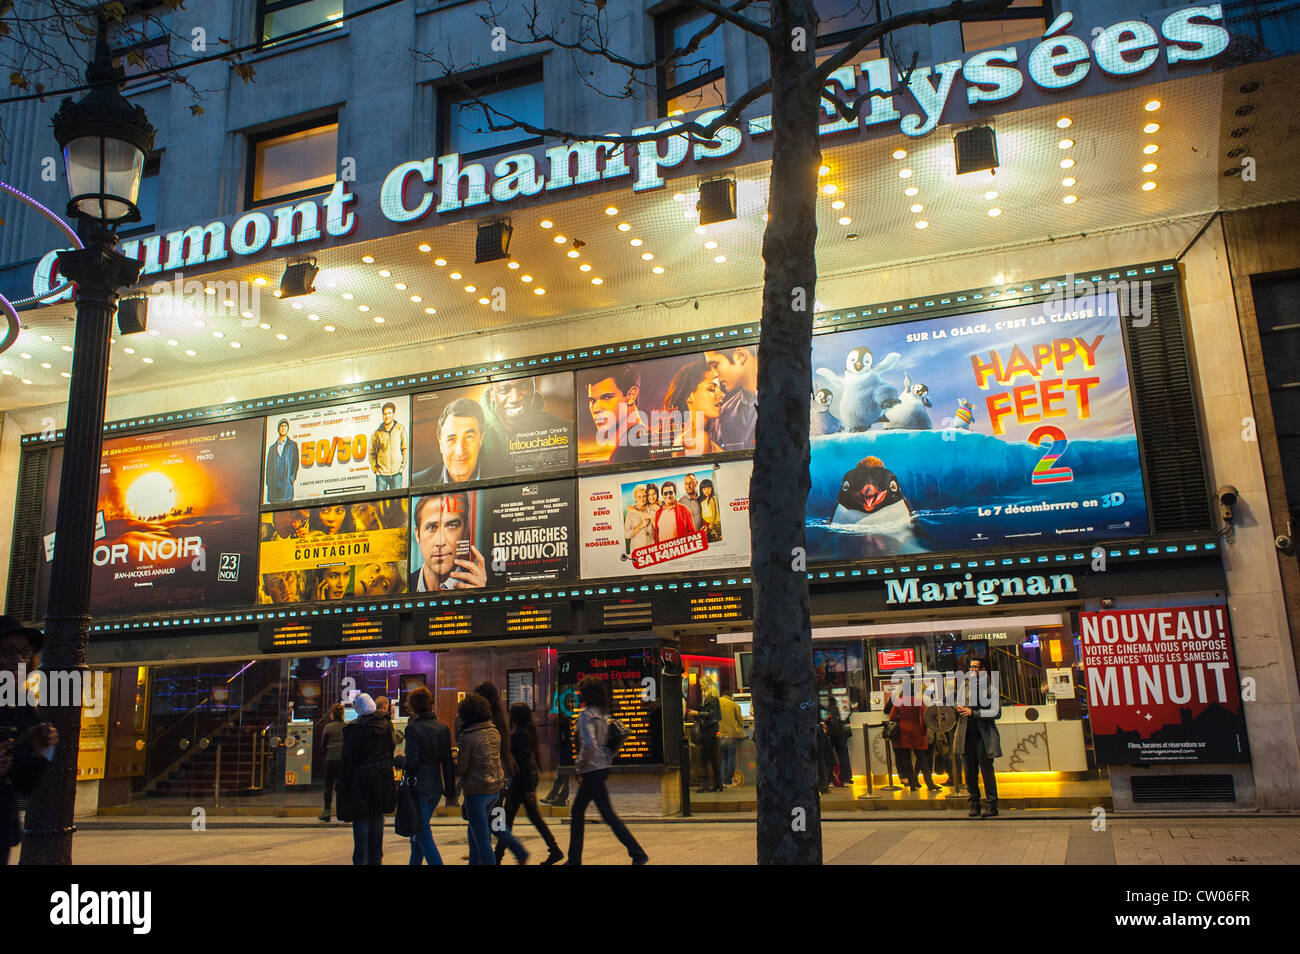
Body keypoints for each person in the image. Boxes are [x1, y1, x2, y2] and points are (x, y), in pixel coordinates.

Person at [566, 676, 647, 865]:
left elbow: (588, 745)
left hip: (591, 770)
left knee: (606, 815)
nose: (577, 694)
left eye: (579, 691)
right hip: (602, 767)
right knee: (580, 812)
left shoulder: (586, 715)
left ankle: (637, 853)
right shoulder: (602, 713)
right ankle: (573, 859)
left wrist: (578, 766)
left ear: (586, 694)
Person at [0, 617, 56, 866]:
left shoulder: (20, 705)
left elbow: (23, 784)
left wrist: (39, 752)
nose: (18, 661)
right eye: (8, 652)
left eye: (24, 653)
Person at [456, 692, 526, 864]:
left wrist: (454, 759)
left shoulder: (467, 737)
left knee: (482, 838)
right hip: (495, 790)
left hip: (476, 791)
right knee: (477, 834)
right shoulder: (494, 731)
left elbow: (462, 768)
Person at [494, 703, 563, 865]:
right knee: (528, 818)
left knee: (507, 820)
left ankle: (498, 856)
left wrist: (528, 790)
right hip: (524, 781)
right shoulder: (528, 733)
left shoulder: (519, 735)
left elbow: (523, 763)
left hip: (519, 783)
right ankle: (554, 849)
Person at [396, 686, 456, 865]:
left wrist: (398, 761)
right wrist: (450, 792)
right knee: (417, 836)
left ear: (413, 707)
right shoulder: (443, 729)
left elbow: (412, 764)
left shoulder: (413, 729)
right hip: (435, 789)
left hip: (419, 789)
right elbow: (447, 763)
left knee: (422, 835)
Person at [337, 692, 396, 865]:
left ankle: (360, 859)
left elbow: (347, 760)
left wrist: (342, 784)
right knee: (377, 817)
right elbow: (390, 750)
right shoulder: (386, 726)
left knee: (361, 819)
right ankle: (375, 859)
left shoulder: (354, 729)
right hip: (380, 780)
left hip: (360, 781)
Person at [474, 681, 529, 863]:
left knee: (489, 823)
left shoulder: (487, 722)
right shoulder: (500, 718)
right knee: (494, 821)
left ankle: (516, 851)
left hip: (491, 778)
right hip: (501, 777)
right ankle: (515, 851)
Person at [409, 493, 487, 591]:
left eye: (452, 526)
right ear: (417, 534)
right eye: (432, 527)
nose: (441, 542)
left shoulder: (481, 585)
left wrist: (483, 598)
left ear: (466, 529)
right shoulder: (403, 586)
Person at [957, 657, 1002, 818]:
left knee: (986, 771)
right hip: (966, 735)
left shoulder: (991, 688)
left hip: (983, 736)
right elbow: (960, 704)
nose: (971, 670)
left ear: (983, 670)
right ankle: (974, 804)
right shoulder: (965, 686)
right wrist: (959, 708)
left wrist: (973, 713)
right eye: (970, 667)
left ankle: (991, 805)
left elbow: (997, 712)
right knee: (969, 772)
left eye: (975, 667)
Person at [583, 365, 651, 464]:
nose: (596, 409)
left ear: (631, 396)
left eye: (607, 398)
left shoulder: (627, 452)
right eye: (592, 401)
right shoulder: (632, 445)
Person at [662, 359, 724, 456]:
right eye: (711, 389)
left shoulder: (690, 436)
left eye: (720, 388)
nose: (721, 394)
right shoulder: (698, 437)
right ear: (690, 396)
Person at [704, 347, 758, 450]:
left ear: (740, 356)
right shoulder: (725, 412)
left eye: (715, 365)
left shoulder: (786, 400)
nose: (714, 375)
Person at [886, 687, 938, 792]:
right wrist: (923, 732)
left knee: (906, 759)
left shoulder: (898, 701)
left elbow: (892, 717)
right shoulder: (918, 701)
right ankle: (930, 783)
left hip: (902, 732)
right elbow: (923, 718)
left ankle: (912, 785)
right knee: (922, 759)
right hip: (916, 731)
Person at [485, 377, 568, 440]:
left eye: (524, 387)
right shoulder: (477, 430)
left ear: (534, 388)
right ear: (492, 393)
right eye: (504, 390)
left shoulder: (565, 430)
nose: (515, 398)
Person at [437, 397, 490, 483]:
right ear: (440, 444)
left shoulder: (503, 476)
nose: (460, 451)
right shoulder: (417, 482)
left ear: (481, 439)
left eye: (469, 437)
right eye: (451, 439)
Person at [369, 401, 407, 491]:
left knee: (397, 503)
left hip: (397, 474)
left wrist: (402, 467)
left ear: (393, 414)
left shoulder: (400, 428)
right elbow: (372, 453)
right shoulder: (377, 433)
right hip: (381, 475)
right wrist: (375, 470)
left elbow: (405, 449)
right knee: (380, 503)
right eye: (385, 414)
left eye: (389, 413)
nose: (387, 416)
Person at [691, 683, 723, 793]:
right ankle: (717, 784)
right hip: (710, 730)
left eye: (702, 685)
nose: (700, 687)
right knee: (712, 758)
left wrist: (698, 713)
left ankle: (706, 785)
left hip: (709, 731)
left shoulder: (712, 699)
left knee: (705, 758)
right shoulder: (708, 699)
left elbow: (711, 714)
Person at [319, 703, 346, 822]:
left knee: (328, 786)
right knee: (343, 787)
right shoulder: (346, 727)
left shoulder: (328, 727)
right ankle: (344, 813)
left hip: (331, 760)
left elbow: (323, 745)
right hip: (343, 761)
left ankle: (327, 812)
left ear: (332, 714)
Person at [265, 419, 299, 503]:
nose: (283, 428)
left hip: (286, 486)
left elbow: (295, 463)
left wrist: (292, 478)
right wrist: (268, 482)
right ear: (278, 429)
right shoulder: (272, 448)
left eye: (285, 426)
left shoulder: (293, 445)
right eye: (281, 426)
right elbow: (268, 468)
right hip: (274, 488)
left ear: (288, 429)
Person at [718, 690, 745, 788]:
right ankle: (729, 780)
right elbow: (740, 721)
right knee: (731, 757)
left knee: (724, 758)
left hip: (720, 735)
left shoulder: (717, 702)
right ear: (730, 696)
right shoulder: (734, 705)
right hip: (731, 734)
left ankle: (722, 781)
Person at [824, 703, 853, 788]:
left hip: (834, 730)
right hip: (841, 729)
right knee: (843, 754)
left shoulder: (827, 697)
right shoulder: (842, 698)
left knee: (830, 755)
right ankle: (845, 778)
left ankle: (830, 779)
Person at [624, 485, 655, 555]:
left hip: (653, 549)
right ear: (635, 497)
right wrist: (641, 525)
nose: (642, 499)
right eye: (639, 496)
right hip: (636, 550)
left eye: (644, 496)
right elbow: (627, 535)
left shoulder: (652, 509)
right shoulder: (630, 513)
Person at [699, 478, 721, 542]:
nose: (707, 491)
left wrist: (711, 523)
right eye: (704, 489)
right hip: (707, 523)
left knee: (715, 538)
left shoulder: (711, 499)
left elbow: (714, 512)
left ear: (712, 488)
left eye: (709, 488)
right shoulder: (703, 499)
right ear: (701, 490)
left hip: (714, 523)